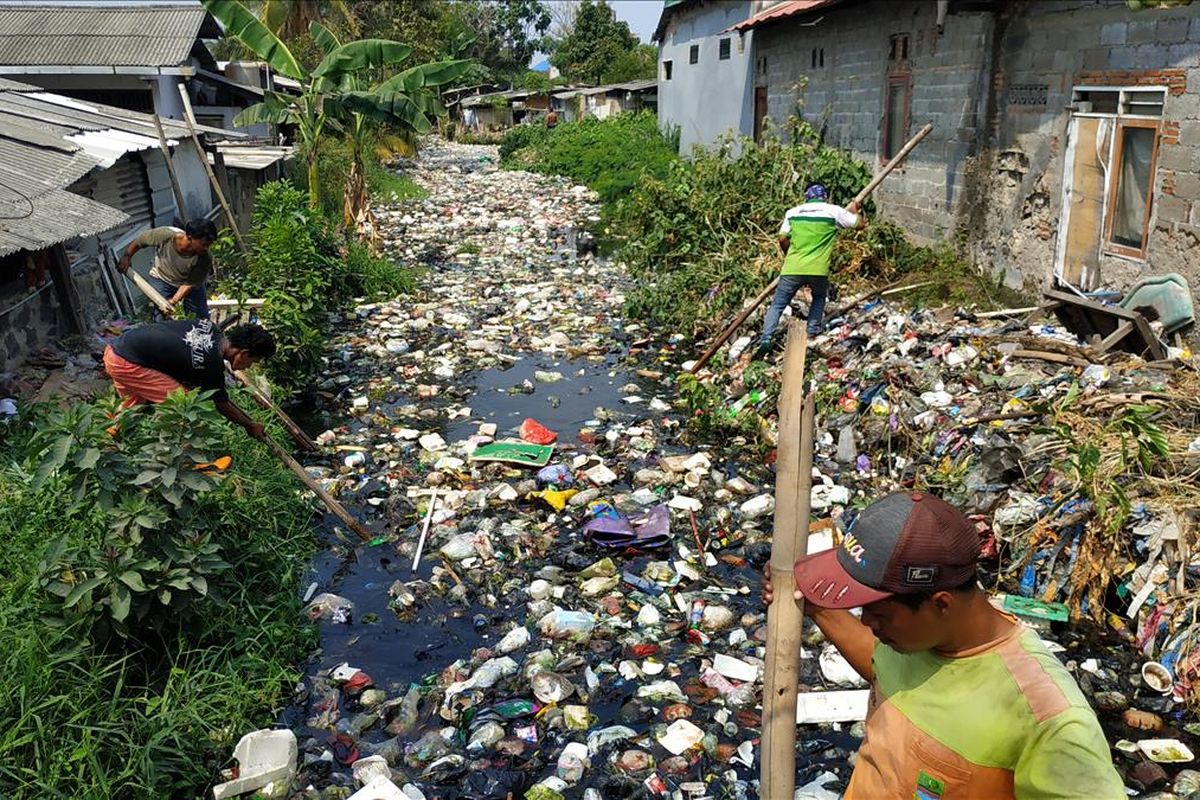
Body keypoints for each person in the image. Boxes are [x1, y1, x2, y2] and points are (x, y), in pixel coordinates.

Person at [763, 492, 1125, 799]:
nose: (868, 623)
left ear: (940, 603)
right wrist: (815, 606)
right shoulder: (911, 639)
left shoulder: (1051, 721)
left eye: (879, 614)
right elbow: (882, 666)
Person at [103, 320, 275, 440]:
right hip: (127, 363)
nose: (249, 367)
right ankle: (188, 463)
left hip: (117, 350)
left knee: (138, 400)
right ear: (243, 353)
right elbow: (221, 404)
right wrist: (248, 425)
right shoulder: (211, 364)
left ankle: (110, 435)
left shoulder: (209, 327)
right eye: (253, 361)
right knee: (185, 406)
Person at [754, 184, 865, 359]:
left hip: (792, 267)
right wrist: (856, 210)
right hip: (818, 269)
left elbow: (782, 237)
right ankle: (812, 332)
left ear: (806, 197)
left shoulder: (793, 212)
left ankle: (766, 339)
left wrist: (788, 253)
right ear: (824, 197)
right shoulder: (832, 211)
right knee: (819, 297)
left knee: (777, 305)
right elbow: (859, 225)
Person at [116, 219, 219, 319]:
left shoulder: (204, 258)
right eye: (204, 244)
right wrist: (127, 256)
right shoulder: (166, 235)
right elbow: (140, 241)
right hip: (162, 277)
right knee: (162, 317)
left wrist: (173, 301)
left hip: (187, 283)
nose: (206, 248)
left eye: (209, 245)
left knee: (200, 319)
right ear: (190, 238)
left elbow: (189, 283)